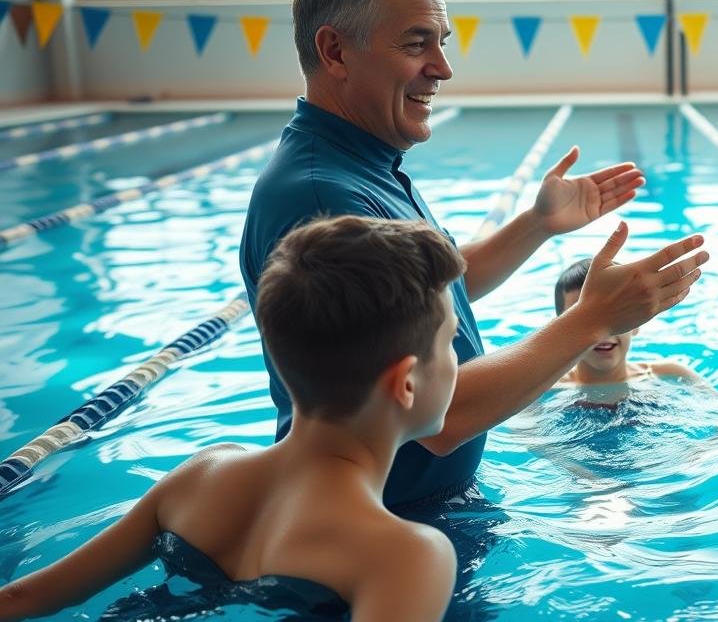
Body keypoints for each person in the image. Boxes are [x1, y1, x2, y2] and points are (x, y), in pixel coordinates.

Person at [239, 0, 709, 515]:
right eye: (417, 43)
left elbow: (430, 292)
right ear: (335, 51)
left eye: (441, 42)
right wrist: (593, 319)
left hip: (416, 509)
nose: (442, 67)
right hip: (377, 529)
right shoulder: (324, 199)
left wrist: (537, 225)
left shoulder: (359, 166)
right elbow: (434, 415)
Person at [1, 216, 471, 621]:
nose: (457, 356)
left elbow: (25, 596)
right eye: (451, 340)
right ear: (405, 382)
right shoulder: (405, 556)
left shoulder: (203, 472)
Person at [552, 257, 706, 392]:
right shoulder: (546, 392)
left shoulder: (672, 377)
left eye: (615, 313)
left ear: (637, 322)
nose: (601, 330)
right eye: (583, 318)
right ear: (561, 329)